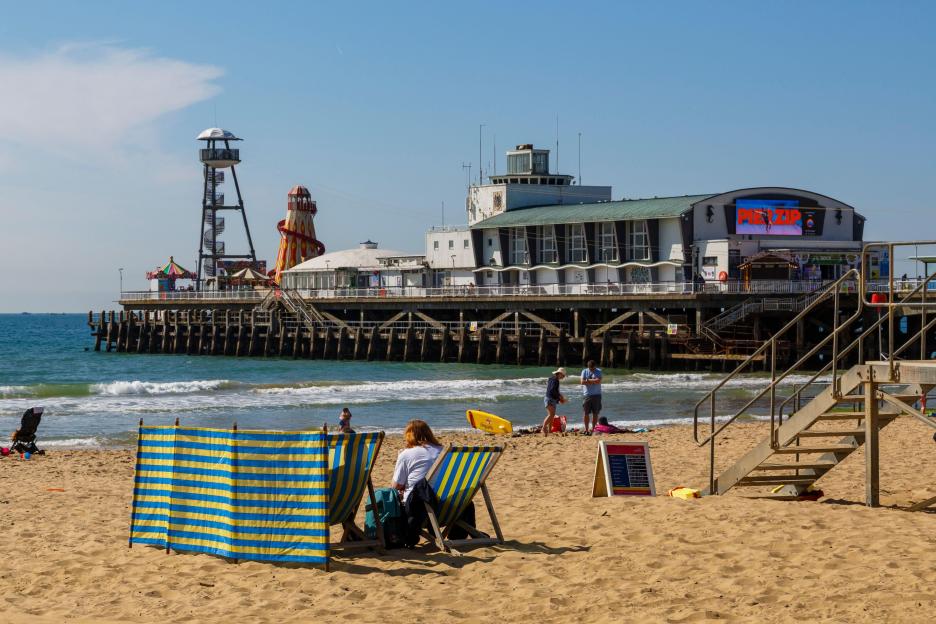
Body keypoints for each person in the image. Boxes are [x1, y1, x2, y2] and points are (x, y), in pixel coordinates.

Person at [391, 420, 443, 503]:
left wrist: (400, 458)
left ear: (409, 436)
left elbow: (395, 486)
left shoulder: (407, 454)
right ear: (429, 433)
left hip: (419, 507)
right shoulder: (444, 451)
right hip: (447, 504)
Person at [580, 360, 602, 435]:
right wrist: (593, 381)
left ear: (595, 366)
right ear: (588, 367)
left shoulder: (599, 371)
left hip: (597, 395)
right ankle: (586, 429)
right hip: (587, 395)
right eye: (590, 368)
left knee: (595, 413)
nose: (591, 370)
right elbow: (582, 382)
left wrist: (588, 380)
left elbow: (598, 381)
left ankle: (593, 429)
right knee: (586, 413)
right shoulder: (584, 371)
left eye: (592, 368)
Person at [543, 367, 567, 436]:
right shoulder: (555, 380)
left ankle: (550, 430)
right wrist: (560, 398)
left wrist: (560, 397)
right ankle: (544, 428)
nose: (563, 377)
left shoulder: (551, 378)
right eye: (563, 376)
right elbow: (553, 391)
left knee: (551, 415)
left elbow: (553, 391)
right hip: (550, 399)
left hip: (550, 398)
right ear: (559, 374)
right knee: (551, 415)